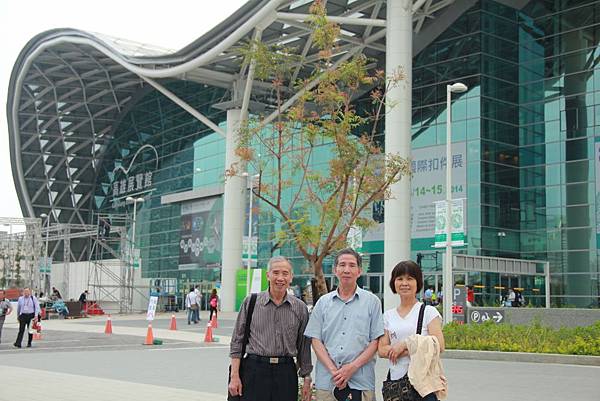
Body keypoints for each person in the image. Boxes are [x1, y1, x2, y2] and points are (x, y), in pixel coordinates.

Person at [228, 256, 312, 401]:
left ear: (291, 277)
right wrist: (234, 376)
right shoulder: (251, 302)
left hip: (286, 373)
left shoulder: (300, 308)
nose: (280, 278)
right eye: (276, 273)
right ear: (268, 275)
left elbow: (303, 346)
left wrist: (306, 378)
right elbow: (237, 341)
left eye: (285, 273)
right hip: (254, 370)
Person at [304, 248, 384, 401]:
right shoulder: (323, 303)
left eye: (352, 265)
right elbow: (315, 340)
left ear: (359, 271)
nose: (347, 269)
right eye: (342, 265)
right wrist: (334, 370)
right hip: (328, 381)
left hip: (361, 382)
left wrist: (351, 368)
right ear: (335, 270)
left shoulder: (372, 302)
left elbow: (375, 341)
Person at [378, 261, 446, 401]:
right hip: (396, 384)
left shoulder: (428, 312)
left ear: (418, 283)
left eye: (410, 279)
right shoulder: (388, 316)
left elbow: (439, 345)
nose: (404, 283)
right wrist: (405, 349)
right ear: (394, 283)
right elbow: (382, 349)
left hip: (423, 385)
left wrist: (404, 345)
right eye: (400, 279)